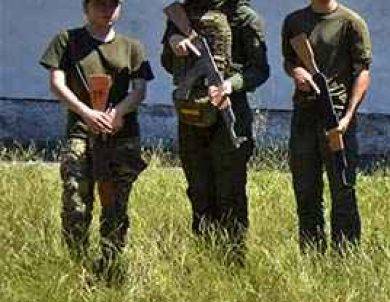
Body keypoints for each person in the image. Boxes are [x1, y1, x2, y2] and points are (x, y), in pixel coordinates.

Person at [41, 0, 152, 284]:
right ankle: (75, 266)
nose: (107, 10)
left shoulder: (132, 47)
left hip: (121, 136)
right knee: (76, 200)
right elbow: (57, 83)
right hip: (81, 130)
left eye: (113, 5)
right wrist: (87, 113)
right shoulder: (68, 40)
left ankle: (110, 266)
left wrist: (117, 113)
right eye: (100, 4)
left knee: (115, 204)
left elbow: (139, 90)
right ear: (86, 8)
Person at [161, 0, 269, 267]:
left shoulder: (244, 17)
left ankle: (233, 260)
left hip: (229, 116)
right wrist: (175, 44)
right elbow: (167, 62)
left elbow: (260, 70)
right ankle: (204, 258)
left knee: (230, 190)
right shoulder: (182, 15)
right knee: (198, 188)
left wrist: (230, 85)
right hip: (192, 114)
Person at [283, 0, 372, 254]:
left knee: (343, 188)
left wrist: (348, 117)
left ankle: (345, 257)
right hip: (304, 115)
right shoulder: (294, 21)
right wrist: (297, 72)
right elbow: (289, 61)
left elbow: (363, 72)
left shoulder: (351, 23)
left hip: (337, 118)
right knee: (305, 189)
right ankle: (311, 256)